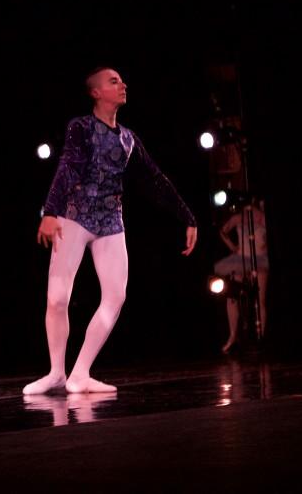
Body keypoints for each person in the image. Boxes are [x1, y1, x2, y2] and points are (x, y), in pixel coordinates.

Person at [25, 67, 197, 395]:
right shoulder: (81, 127)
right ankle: (56, 373)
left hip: (110, 222)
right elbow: (68, 166)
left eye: (121, 80)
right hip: (75, 217)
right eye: (113, 81)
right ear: (96, 93)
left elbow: (156, 180)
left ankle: (80, 374)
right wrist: (51, 211)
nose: (122, 85)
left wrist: (188, 217)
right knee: (57, 298)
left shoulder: (129, 138)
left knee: (116, 295)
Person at [214, 199, 269, 352]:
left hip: (260, 260)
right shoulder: (239, 217)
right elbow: (222, 230)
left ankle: (261, 337)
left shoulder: (262, 216)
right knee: (232, 296)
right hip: (241, 260)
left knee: (260, 299)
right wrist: (233, 247)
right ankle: (233, 336)